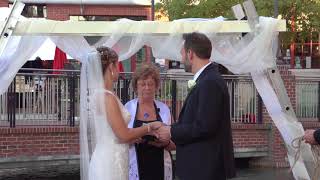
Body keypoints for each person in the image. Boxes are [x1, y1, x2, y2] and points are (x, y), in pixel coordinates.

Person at [156, 32, 236, 180]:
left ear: (190, 53)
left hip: (205, 169)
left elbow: (205, 126)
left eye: (182, 54)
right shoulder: (207, 79)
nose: (181, 59)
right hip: (202, 167)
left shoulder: (210, 82)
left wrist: (171, 130)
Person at [85, 47, 162, 180]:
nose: (119, 69)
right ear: (110, 67)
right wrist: (150, 127)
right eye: (117, 65)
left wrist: (133, 137)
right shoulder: (107, 97)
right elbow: (123, 134)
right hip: (112, 161)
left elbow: (113, 133)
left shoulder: (99, 95)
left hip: (106, 155)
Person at [125, 64, 175, 180]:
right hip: (135, 165)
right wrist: (132, 138)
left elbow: (175, 143)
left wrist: (165, 143)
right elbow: (119, 138)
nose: (147, 87)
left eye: (151, 84)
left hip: (160, 167)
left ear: (156, 86)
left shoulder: (165, 109)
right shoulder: (128, 108)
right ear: (136, 86)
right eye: (143, 84)